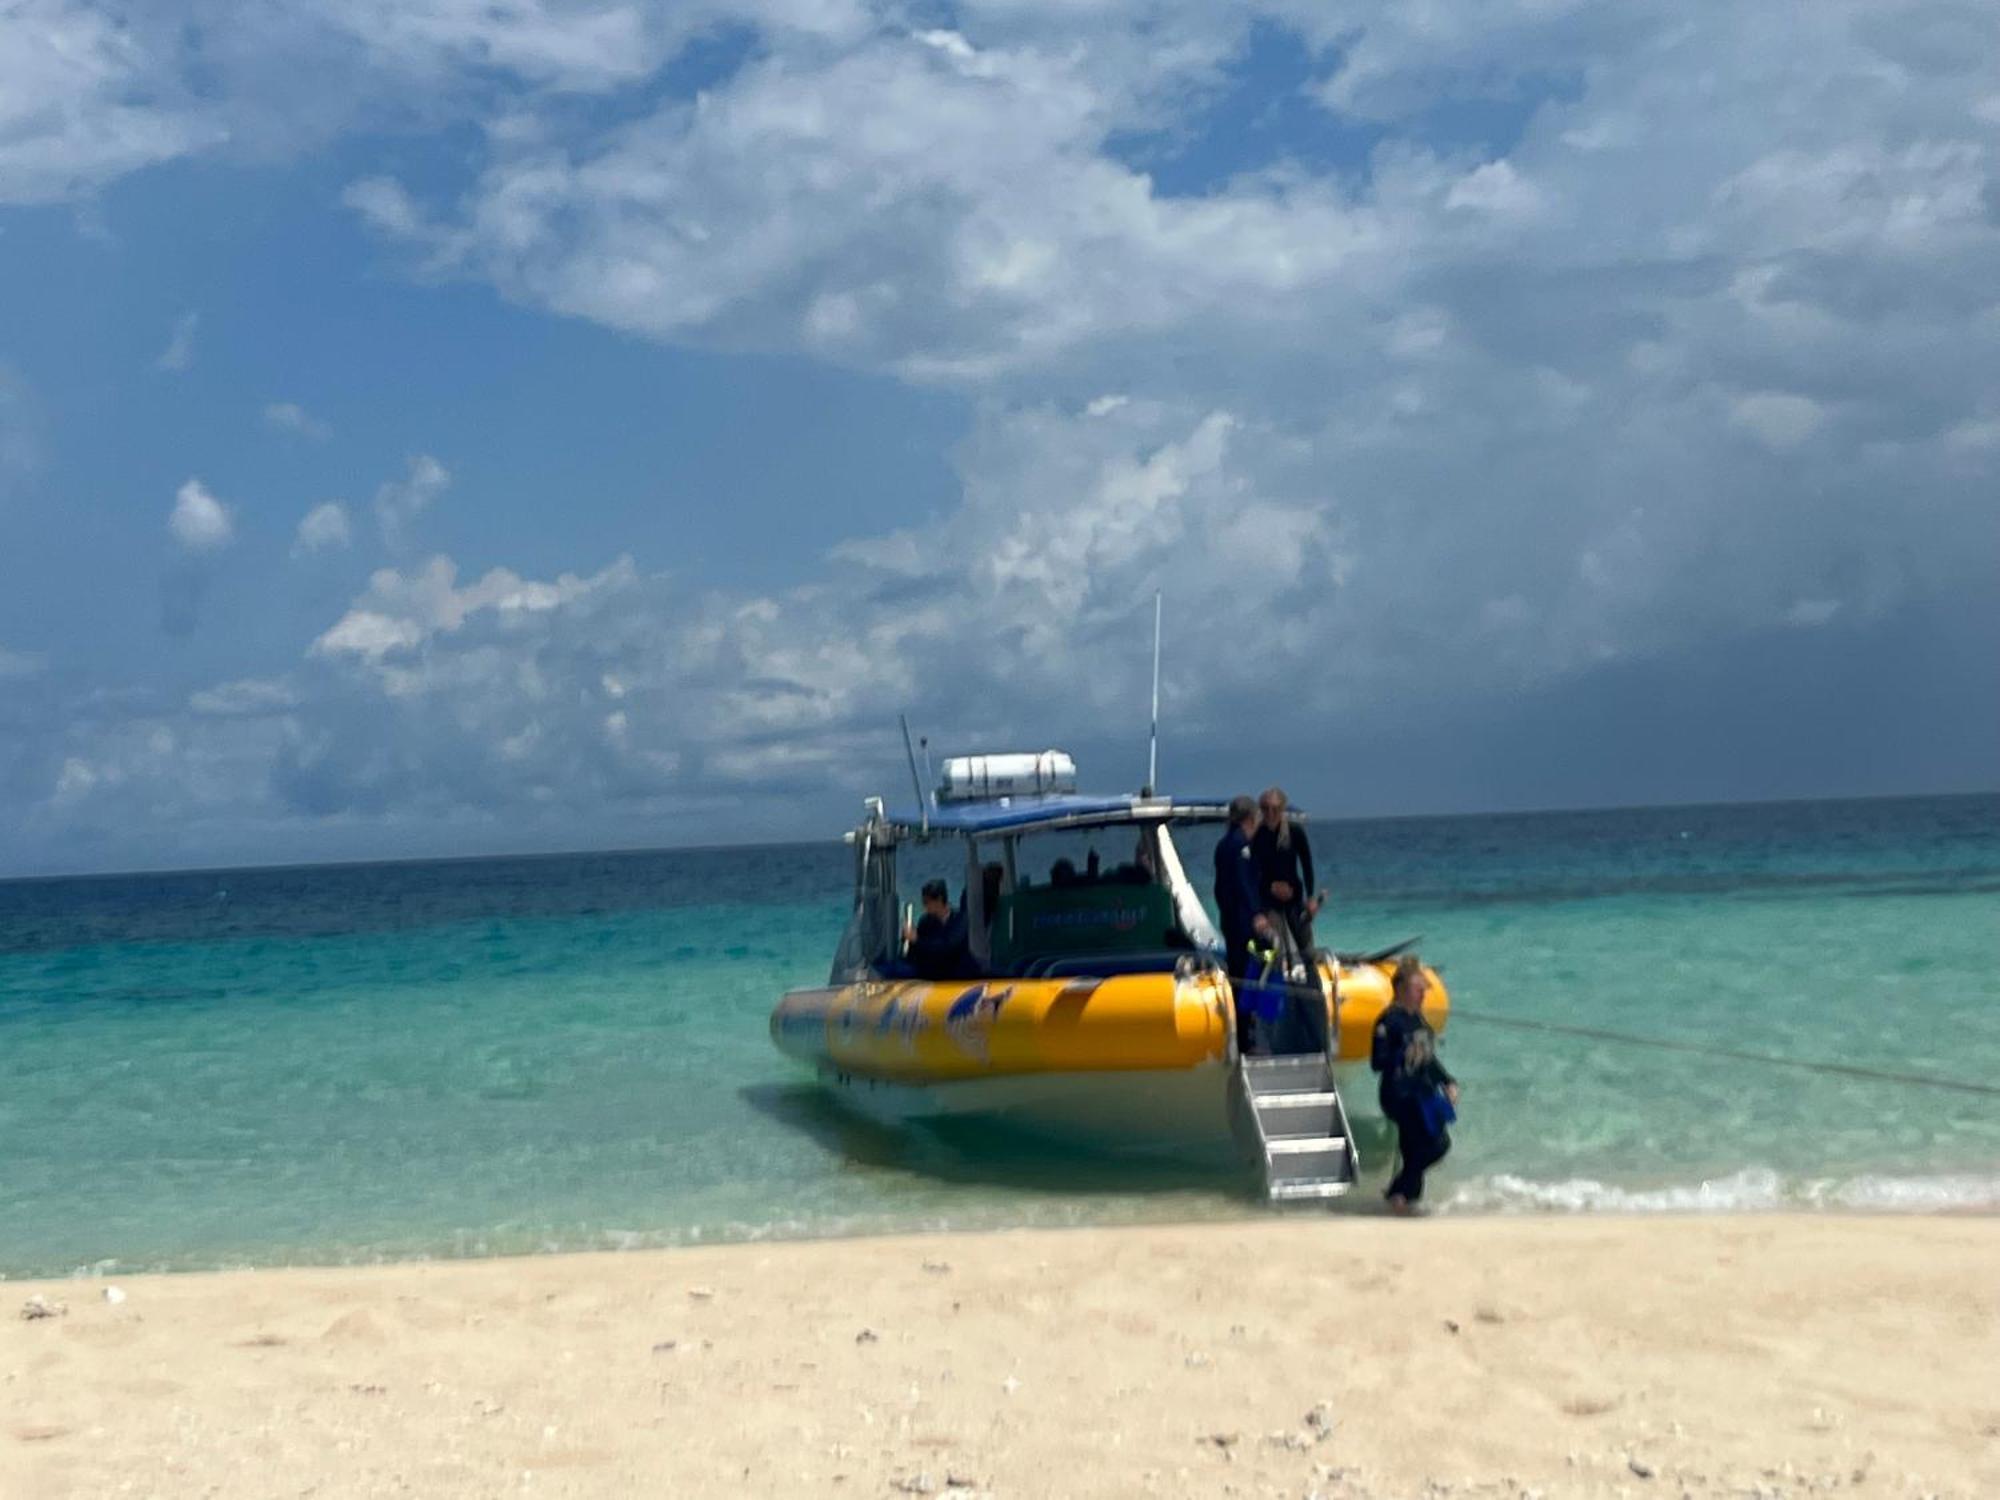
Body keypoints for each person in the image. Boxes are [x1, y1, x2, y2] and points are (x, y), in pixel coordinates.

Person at [1371, 954, 1459, 1214]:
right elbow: (1377, 1062)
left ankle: (1404, 1201)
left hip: (1421, 1093)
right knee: (1437, 1144)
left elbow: (1429, 1060)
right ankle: (1398, 1191)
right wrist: (1401, 1054)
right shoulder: (1388, 1021)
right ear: (1401, 990)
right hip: (1398, 1095)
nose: (1423, 995)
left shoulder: (1418, 1020)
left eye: (1424, 990)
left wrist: (1447, 1081)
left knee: (1414, 1149)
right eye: (1418, 989)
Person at [1253, 786, 1322, 960]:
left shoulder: (1295, 832)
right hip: (1268, 898)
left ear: (1282, 809)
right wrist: (1270, 888)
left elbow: (1307, 865)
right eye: (1266, 809)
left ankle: (1311, 975)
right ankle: (1277, 975)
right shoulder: (1257, 835)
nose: (1270, 813)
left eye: (1275, 809)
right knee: (1276, 946)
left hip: (1294, 896)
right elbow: (1252, 872)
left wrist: (1311, 897)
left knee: (1305, 943)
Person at [902, 879, 971, 979]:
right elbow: (916, 955)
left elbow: (948, 947)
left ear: (939, 900)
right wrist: (907, 939)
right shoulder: (925, 922)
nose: (925, 907)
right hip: (930, 977)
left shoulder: (960, 920)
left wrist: (917, 940)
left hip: (957, 978)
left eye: (927, 902)